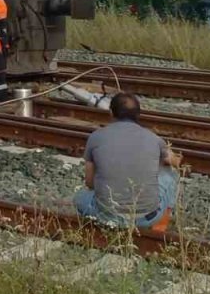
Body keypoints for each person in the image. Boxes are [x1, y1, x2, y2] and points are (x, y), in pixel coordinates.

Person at [74, 92, 182, 232]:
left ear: (111, 112)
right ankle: (159, 227)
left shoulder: (96, 137)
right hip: (147, 218)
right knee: (170, 174)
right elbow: (175, 162)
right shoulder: (154, 139)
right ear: (138, 114)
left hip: (107, 215)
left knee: (80, 197)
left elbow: (89, 182)